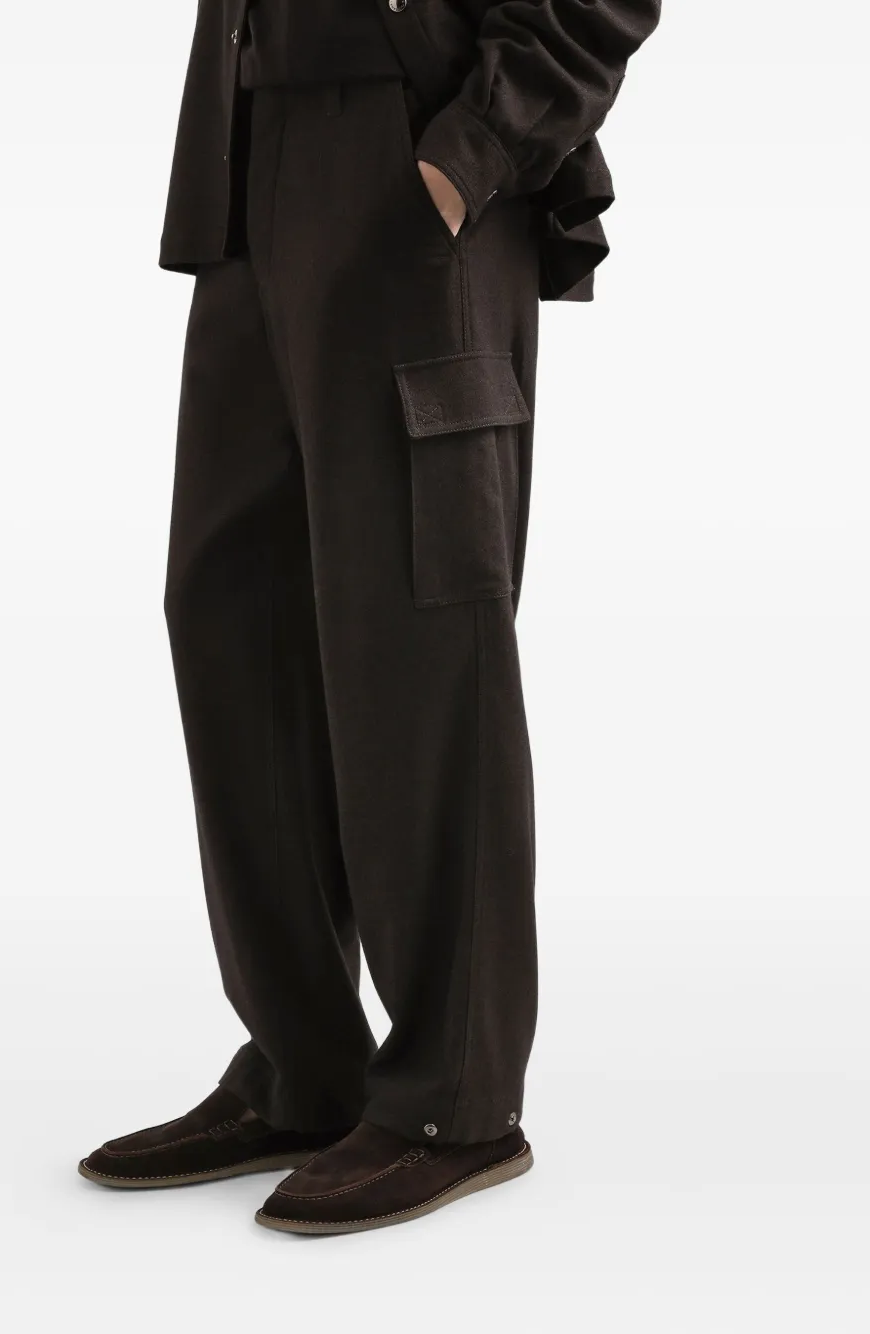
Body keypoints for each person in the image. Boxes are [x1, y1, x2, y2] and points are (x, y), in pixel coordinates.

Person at [79, 0, 661, 1234]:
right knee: (231, 613)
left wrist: (467, 153)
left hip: (412, 141)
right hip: (248, 143)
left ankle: (459, 1098)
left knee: (421, 631)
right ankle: (305, 1067)